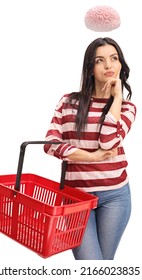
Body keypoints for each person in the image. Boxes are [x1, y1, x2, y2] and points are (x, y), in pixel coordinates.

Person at [44, 37, 136, 260]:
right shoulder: (68, 102)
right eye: (100, 60)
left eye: (114, 59)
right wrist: (92, 157)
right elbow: (50, 144)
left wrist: (116, 98)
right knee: (90, 265)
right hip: (76, 197)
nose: (108, 65)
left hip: (115, 195)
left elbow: (108, 141)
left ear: (121, 64)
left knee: (102, 266)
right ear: (90, 68)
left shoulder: (127, 107)